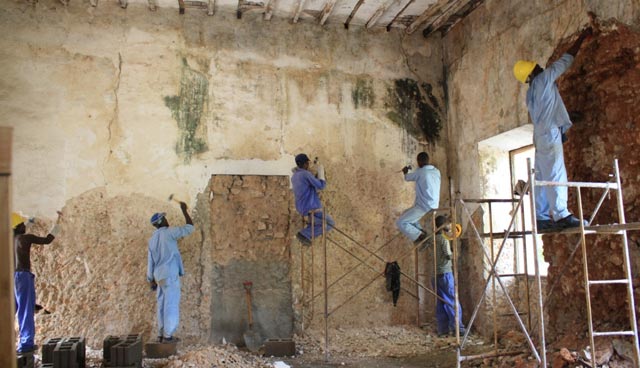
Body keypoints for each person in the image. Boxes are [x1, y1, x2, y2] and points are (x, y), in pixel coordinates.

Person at [513, 27, 593, 230]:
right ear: (532, 72)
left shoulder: (531, 92)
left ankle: (540, 218)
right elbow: (565, 61)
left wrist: (567, 119)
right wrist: (582, 38)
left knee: (541, 176)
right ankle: (561, 214)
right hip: (549, 135)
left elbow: (549, 110)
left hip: (540, 136)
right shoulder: (544, 79)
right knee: (556, 173)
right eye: (536, 66)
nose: (541, 66)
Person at [13, 211, 61, 354]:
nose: (25, 226)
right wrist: (58, 224)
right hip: (23, 276)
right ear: (22, 228)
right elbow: (47, 240)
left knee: (10, 311)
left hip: (10, 276)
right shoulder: (26, 238)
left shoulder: (10, 238)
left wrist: (31, 219)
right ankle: (26, 344)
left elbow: (21, 226)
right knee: (26, 310)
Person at [147, 202, 194, 342]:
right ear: (161, 221)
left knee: (161, 305)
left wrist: (151, 280)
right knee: (171, 304)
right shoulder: (169, 233)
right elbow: (190, 228)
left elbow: (150, 262)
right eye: (165, 218)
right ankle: (168, 336)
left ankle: (161, 334)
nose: (167, 220)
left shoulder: (152, 240)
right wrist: (184, 210)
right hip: (170, 274)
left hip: (158, 276)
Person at [396, 152, 441, 244]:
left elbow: (408, 177)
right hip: (434, 205)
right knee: (407, 214)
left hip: (424, 206)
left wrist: (405, 171)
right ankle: (421, 232)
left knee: (401, 222)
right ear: (428, 160)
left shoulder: (421, 172)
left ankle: (422, 237)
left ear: (419, 162)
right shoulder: (436, 171)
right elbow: (423, 175)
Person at [291, 153, 334, 246]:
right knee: (330, 223)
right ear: (306, 163)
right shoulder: (306, 174)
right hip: (312, 207)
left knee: (315, 225)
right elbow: (321, 186)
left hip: (302, 208)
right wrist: (321, 172)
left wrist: (313, 176)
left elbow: (307, 185)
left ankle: (307, 233)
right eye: (308, 163)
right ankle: (305, 234)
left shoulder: (294, 176)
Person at [433, 215, 465, 337]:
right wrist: (456, 253)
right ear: (443, 226)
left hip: (435, 274)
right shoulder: (443, 239)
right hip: (445, 273)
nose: (449, 227)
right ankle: (458, 328)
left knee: (440, 301)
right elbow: (448, 255)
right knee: (452, 300)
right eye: (448, 224)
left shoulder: (433, 239)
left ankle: (443, 329)